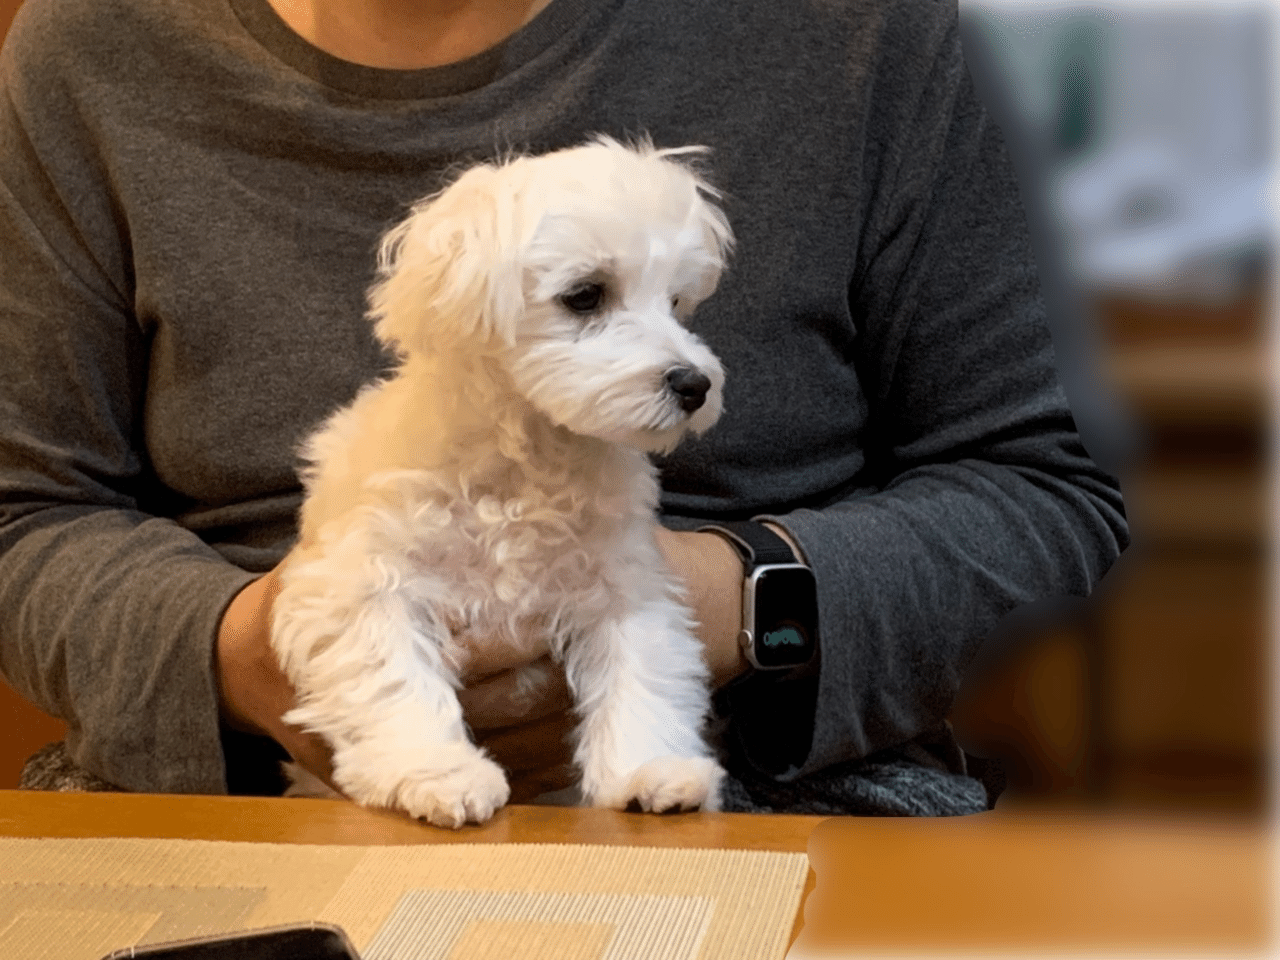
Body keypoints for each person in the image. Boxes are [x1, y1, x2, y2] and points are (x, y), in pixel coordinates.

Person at [0, 0, 1128, 816]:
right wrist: (236, 653)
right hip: (230, 789)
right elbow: (22, 511)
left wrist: (742, 605)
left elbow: (1045, 491)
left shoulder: (860, 36)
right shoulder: (90, 49)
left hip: (780, 778)